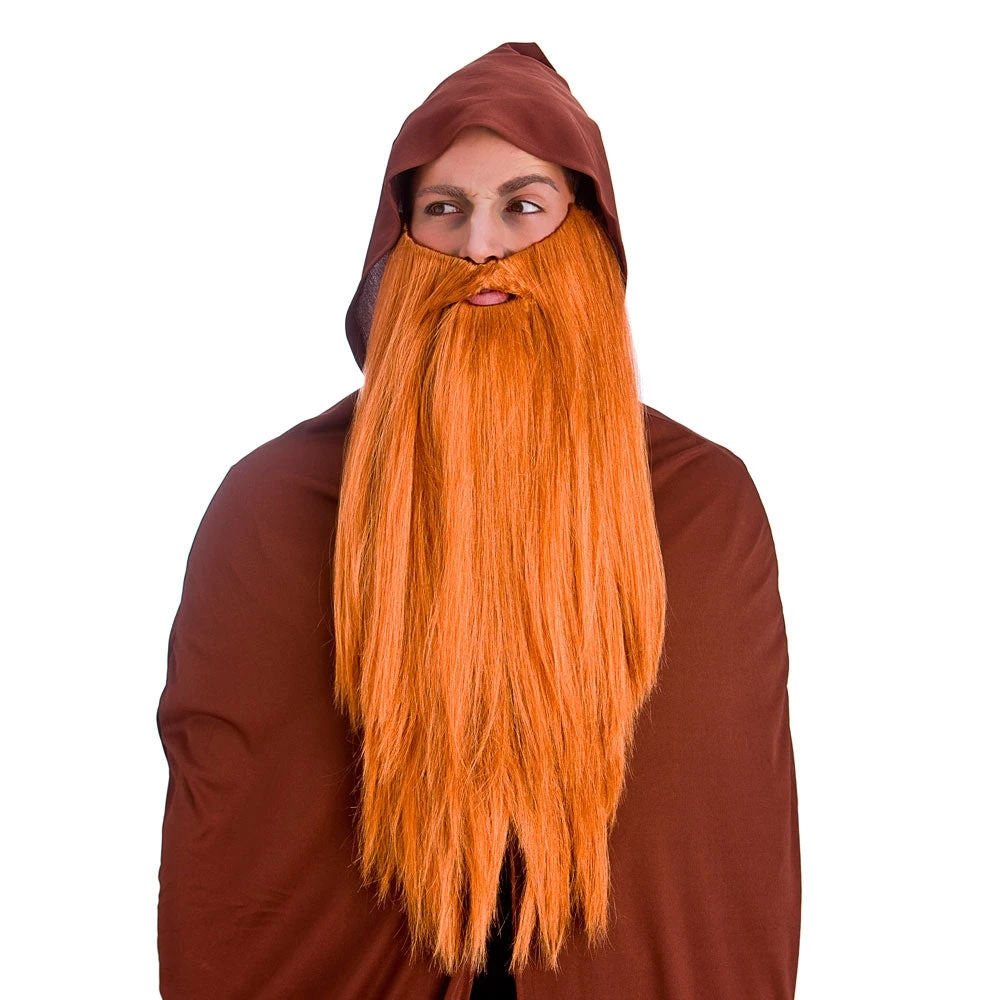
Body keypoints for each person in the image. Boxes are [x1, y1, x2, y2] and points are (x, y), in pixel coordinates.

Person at [156, 42, 801, 999]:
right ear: (394, 248)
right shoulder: (275, 508)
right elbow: (230, 858)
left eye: (524, 206)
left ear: (589, 239)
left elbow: (729, 855)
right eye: (444, 210)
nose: (481, 246)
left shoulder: (700, 505)